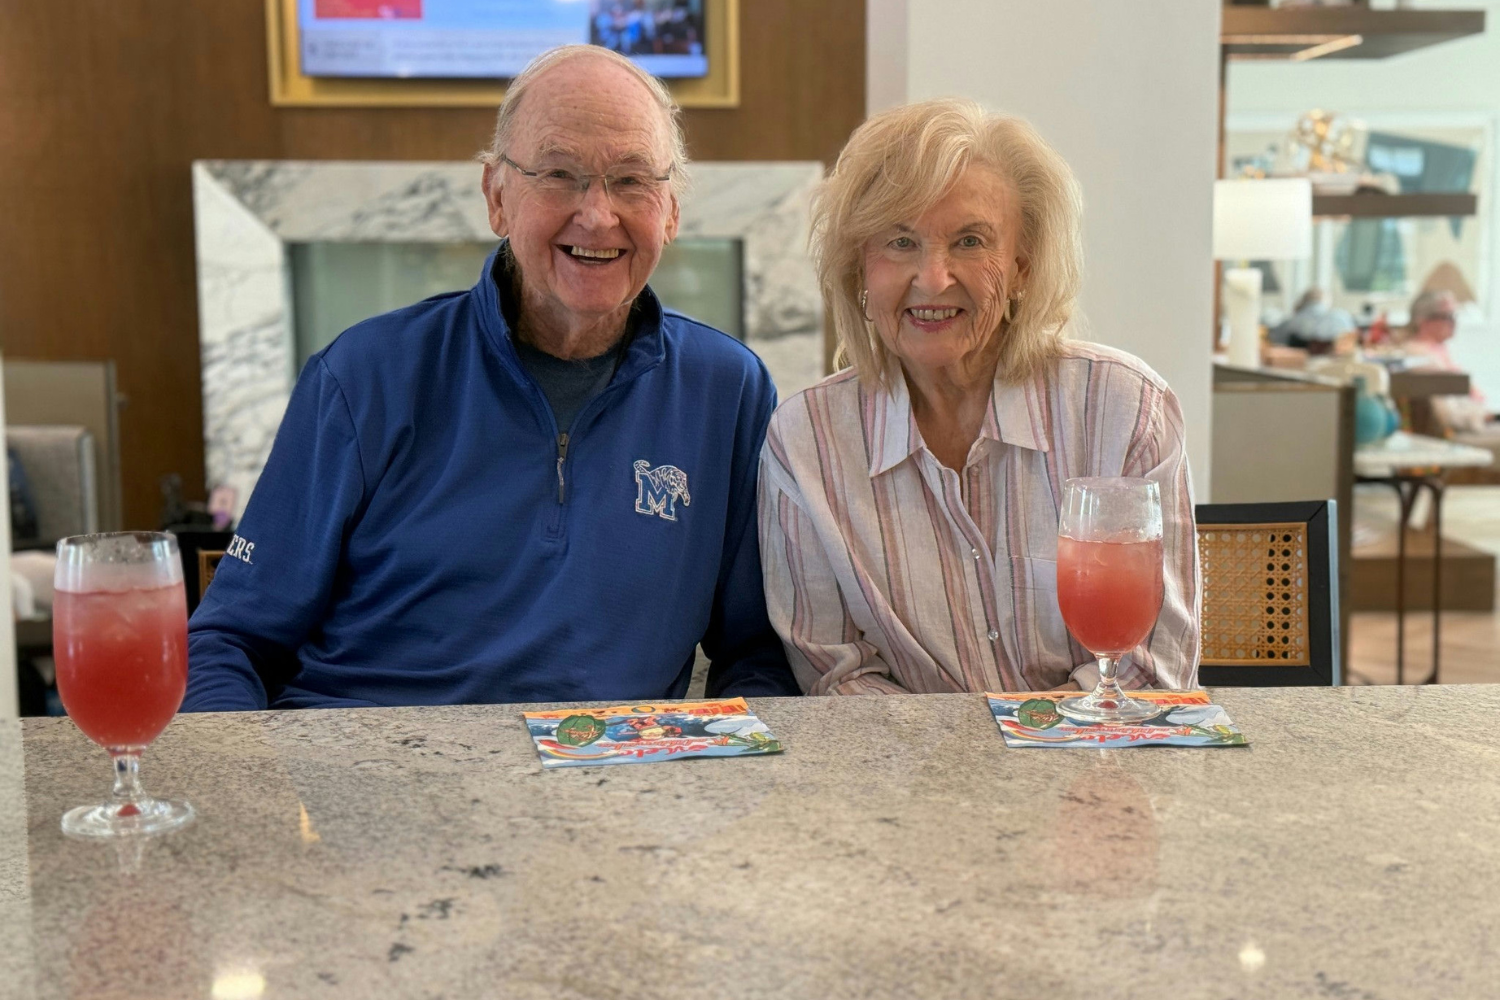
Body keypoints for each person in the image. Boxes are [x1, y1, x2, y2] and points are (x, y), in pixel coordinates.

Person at [184, 45, 798, 711]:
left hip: (613, 793)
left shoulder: (727, 392)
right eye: (560, 174)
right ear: (496, 197)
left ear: (671, 212)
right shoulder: (362, 377)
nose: (597, 215)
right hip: (369, 782)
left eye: (631, 180)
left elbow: (756, 652)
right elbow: (230, 640)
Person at [758, 99, 1200, 695]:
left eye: (970, 241)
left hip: (1095, 774)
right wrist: (965, 775)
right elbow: (837, 677)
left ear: (1022, 266)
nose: (933, 278)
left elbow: (1148, 664)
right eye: (899, 241)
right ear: (859, 267)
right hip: (905, 782)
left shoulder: (1125, 410)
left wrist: (1024, 761)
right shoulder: (805, 440)